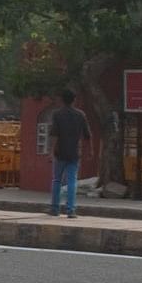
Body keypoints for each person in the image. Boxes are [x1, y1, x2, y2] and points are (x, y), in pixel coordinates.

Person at [45, 88, 88, 217]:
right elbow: (87, 135)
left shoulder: (57, 114)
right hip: (74, 153)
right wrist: (90, 150)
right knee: (72, 181)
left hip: (60, 152)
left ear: (62, 100)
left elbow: (54, 135)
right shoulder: (80, 115)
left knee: (57, 180)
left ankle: (54, 208)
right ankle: (71, 210)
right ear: (74, 100)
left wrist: (51, 152)